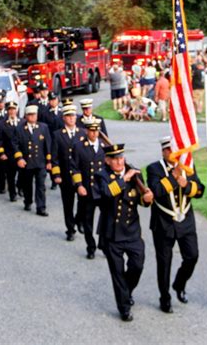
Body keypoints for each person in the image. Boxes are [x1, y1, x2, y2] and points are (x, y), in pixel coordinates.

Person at [92, 143, 154, 322]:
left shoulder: (135, 174)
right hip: (112, 233)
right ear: (107, 161)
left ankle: (126, 291)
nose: (120, 162)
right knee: (117, 273)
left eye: (122, 158)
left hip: (132, 231)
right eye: (116, 159)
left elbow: (141, 201)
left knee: (138, 265)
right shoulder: (101, 176)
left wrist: (147, 199)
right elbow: (105, 194)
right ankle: (124, 308)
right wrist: (124, 179)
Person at [146, 137, 205, 313]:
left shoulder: (187, 165)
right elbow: (156, 191)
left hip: (186, 221)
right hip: (164, 222)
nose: (175, 154)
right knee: (164, 263)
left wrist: (186, 184)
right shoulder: (154, 168)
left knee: (192, 256)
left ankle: (179, 284)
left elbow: (200, 190)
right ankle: (165, 297)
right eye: (171, 150)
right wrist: (174, 176)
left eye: (177, 150)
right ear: (163, 152)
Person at [70, 118, 106, 259]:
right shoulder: (79, 146)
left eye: (96, 130)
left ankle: (103, 244)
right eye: (91, 130)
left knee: (105, 219)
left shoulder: (104, 147)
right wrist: (79, 186)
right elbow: (75, 168)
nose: (94, 133)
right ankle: (91, 247)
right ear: (86, 131)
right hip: (88, 190)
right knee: (88, 221)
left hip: (102, 191)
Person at [51, 103, 86, 240]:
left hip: (81, 176)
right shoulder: (58, 135)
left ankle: (79, 219)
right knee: (68, 204)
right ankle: (70, 229)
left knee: (83, 201)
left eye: (73, 115)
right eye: (68, 116)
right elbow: (54, 157)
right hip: (65, 176)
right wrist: (57, 175)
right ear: (64, 118)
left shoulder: (82, 133)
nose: (71, 118)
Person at [12, 105, 52, 216]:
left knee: (41, 186)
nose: (32, 117)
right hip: (26, 162)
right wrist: (19, 158)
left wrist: (49, 161)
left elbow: (48, 145)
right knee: (27, 184)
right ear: (25, 116)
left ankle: (41, 207)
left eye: (34, 115)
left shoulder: (43, 128)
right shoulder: (19, 128)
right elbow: (15, 145)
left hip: (40, 162)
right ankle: (28, 201)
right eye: (30, 115)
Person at [0, 101, 22, 202]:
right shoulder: (1, 124)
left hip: (21, 154)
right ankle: (12, 193)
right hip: (9, 154)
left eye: (14, 109)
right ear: (7, 111)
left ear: (17, 110)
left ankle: (20, 186)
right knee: (10, 176)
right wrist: (1, 153)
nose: (12, 112)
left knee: (22, 174)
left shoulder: (22, 122)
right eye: (10, 109)